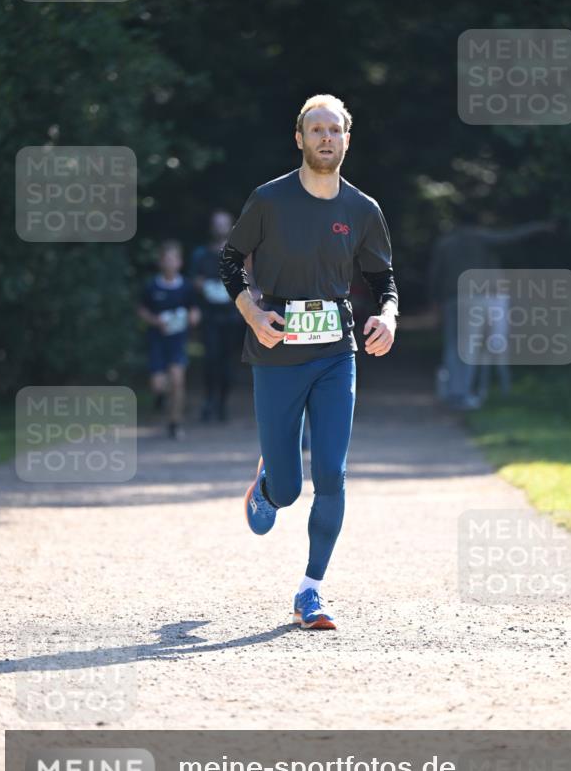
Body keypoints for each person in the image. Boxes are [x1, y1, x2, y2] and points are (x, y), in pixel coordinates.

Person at [219, 94, 399, 630]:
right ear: (299, 139)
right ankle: (269, 485)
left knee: (331, 474)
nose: (326, 138)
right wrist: (253, 313)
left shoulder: (363, 210)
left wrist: (388, 317)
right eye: (316, 129)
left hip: (335, 353)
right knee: (290, 488)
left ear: (347, 139)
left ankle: (311, 591)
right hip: (276, 351)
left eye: (334, 130)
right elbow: (230, 261)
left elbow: (383, 280)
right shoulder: (269, 200)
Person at [429, 220, 555, 409]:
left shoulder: (445, 243)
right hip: (474, 299)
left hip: (450, 300)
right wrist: (540, 227)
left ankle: (452, 392)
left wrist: (434, 301)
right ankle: (461, 395)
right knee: (468, 348)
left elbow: (434, 274)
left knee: (452, 347)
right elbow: (512, 236)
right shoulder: (482, 238)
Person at [138, 240, 200, 439]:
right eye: (166, 259)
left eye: (174, 259)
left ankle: (175, 422)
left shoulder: (186, 287)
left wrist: (193, 317)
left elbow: (194, 309)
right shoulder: (151, 286)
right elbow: (142, 310)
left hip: (178, 341)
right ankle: (162, 398)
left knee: (178, 381)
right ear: (161, 262)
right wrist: (155, 321)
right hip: (157, 340)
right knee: (158, 385)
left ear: (179, 262)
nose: (170, 263)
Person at [190, 210, 245, 423]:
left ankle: (222, 403)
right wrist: (203, 287)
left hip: (233, 316)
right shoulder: (201, 254)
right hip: (209, 316)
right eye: (216, 223)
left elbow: (252, 280)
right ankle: (209, 400)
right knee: (211, 358)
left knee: (228, 361)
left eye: (223, 223)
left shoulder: (240, 253)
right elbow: (192, 281)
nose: (220, 227)